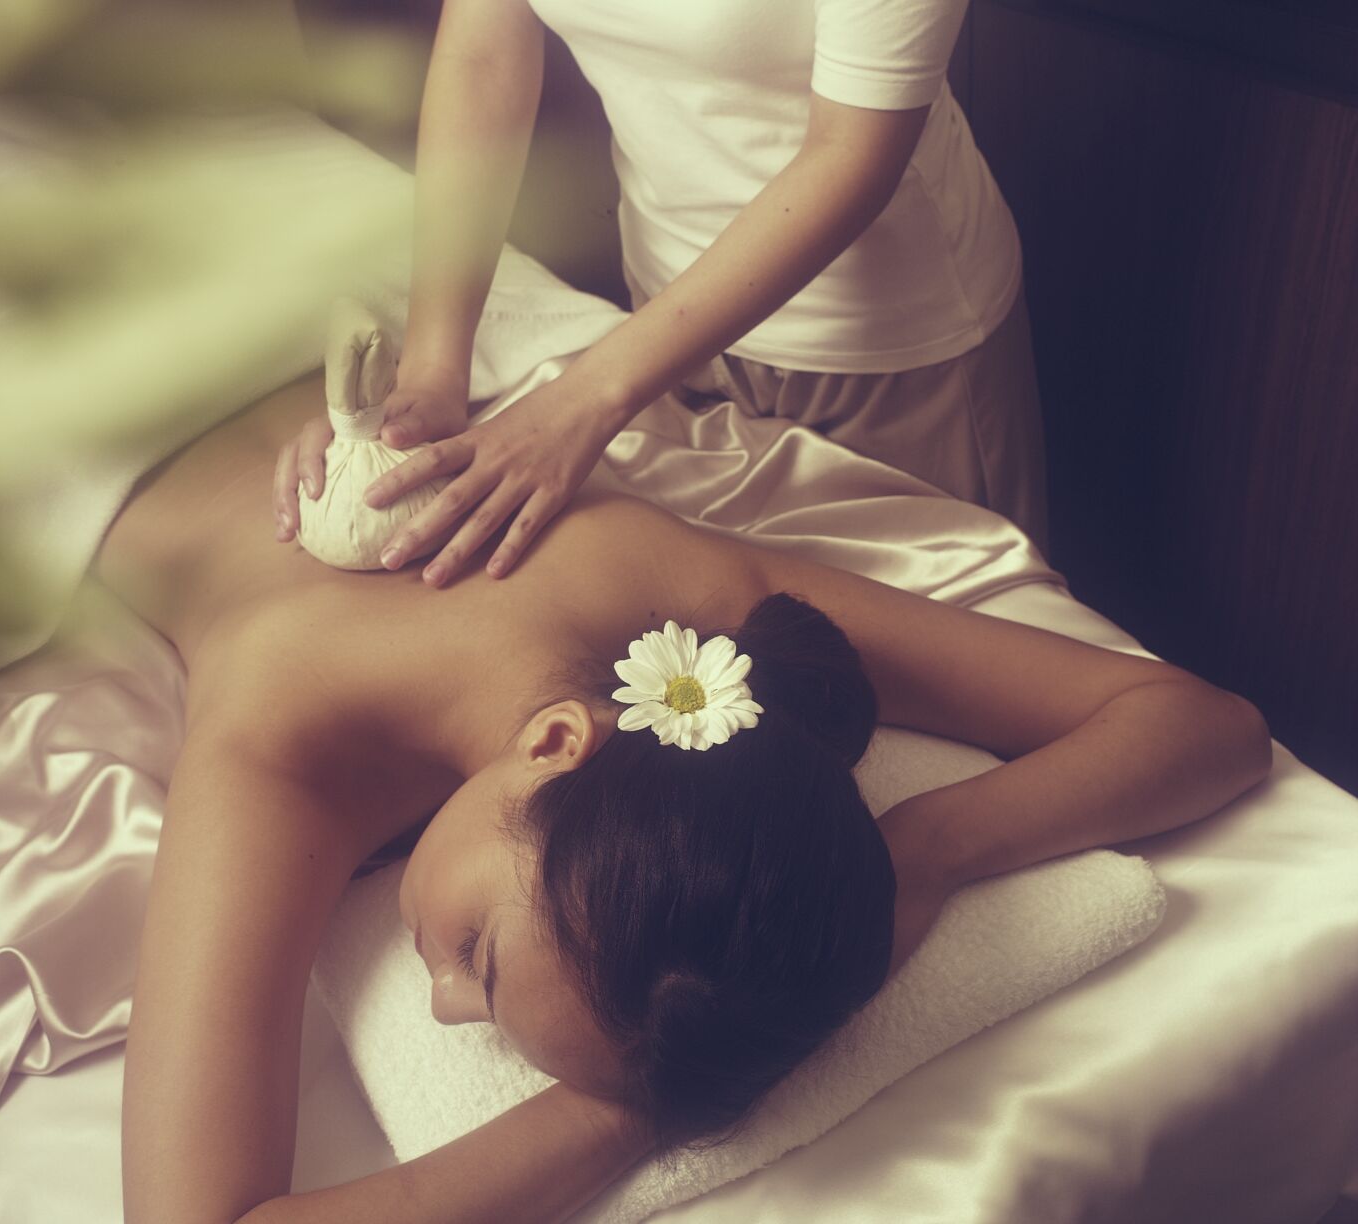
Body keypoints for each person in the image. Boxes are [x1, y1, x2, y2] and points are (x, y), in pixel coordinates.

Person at [103, 373, 1267, 1224]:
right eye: (475, 955)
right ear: (556, 744)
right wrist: (640, 1110)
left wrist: (929, 846)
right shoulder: (288, 740)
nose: (446, 1005)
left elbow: (1199, 728)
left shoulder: (674, 631)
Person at [273, 0, 1048, 590]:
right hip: (662, 322)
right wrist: (434, 368)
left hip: (886, 354)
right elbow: (482, 53)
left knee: (946, 662)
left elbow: (850, 155)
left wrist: (581, 402)